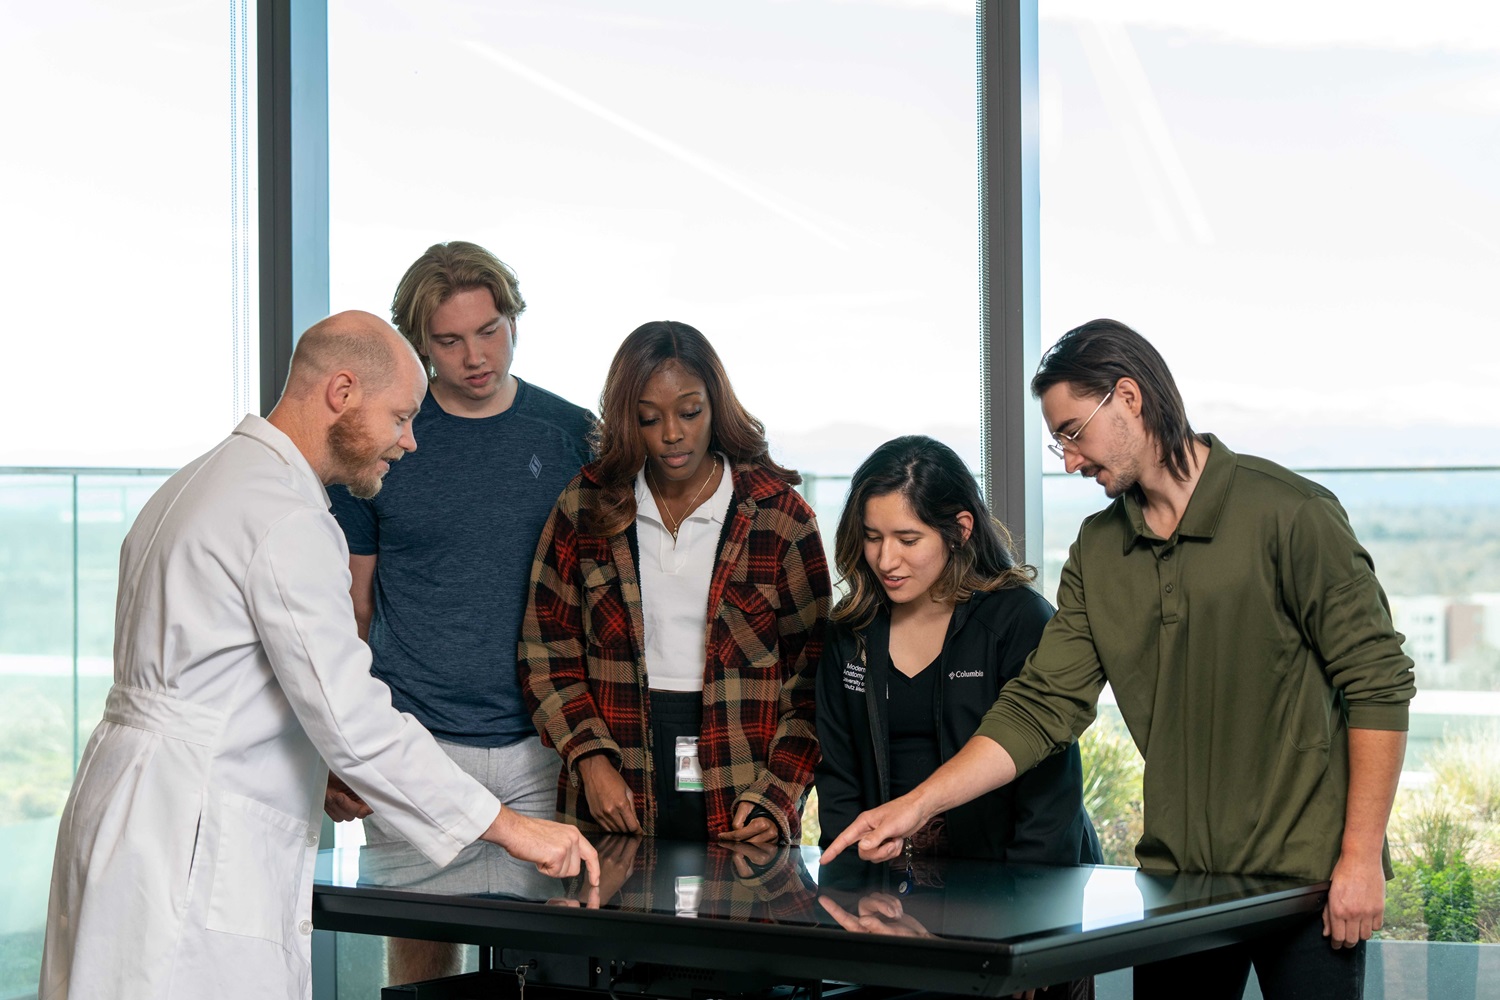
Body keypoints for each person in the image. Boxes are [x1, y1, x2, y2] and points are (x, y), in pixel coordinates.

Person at [823, 319, 1415, 1000]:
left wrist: (1360, 859)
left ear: (1129, 398)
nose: (1069, 460)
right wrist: (916, 805)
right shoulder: (1099, 551)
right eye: (1059, 442)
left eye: (1073, 432)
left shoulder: (1290, 514)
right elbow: (1039, 708)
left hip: (1309, 887)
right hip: (1176, 888)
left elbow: (1376, 683)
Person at [41, 312, 597, 1000]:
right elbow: (354, 718)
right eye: (399, 416)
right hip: (191, 833)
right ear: (341, 392)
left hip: (131, 809)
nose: (409, 441)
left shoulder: (198, 483)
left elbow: (220, 678)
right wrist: (514, 830)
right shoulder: (289, 518)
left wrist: (315, 765)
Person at [325, 242, 593, 983]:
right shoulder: (385, 437)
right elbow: (352, 605)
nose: (476, 354)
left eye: (490, 329)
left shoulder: (573, 435)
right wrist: (340, 748)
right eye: (449, 340)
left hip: (547, 746)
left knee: (551, 970)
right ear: (418, 345)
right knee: (423, 964)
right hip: (416, 742)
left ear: (513, 320)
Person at [520, 320, 830, 844]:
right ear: (626, 418)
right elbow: (546, 652)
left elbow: (814, 681)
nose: (672, 434)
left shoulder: (779, 516)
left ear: (716, 404)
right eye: (649, 417)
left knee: (729, 926)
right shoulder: (585, 505)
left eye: (689, 412)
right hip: (614, 775)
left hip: (741, 777)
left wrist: (777, 797)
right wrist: (590, 762)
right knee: (614, 924)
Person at [815, 436, 1099, 1000]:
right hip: (890, 913)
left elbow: (1050, 797)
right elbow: (840, 781)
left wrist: (1028, 937)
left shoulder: (1018, 620)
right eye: (872, 538)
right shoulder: (849, 634)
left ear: (960, 529)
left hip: (1014, 906)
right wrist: (849, 900)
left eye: (907, 539)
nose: (885, 559)